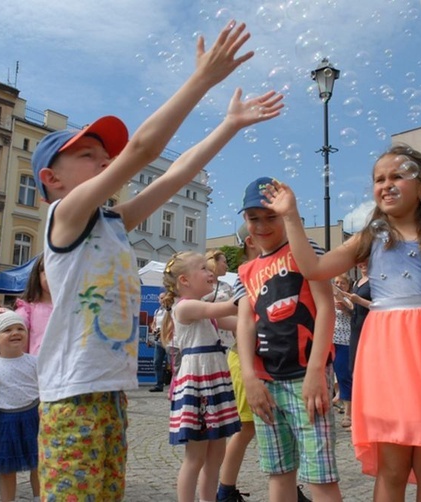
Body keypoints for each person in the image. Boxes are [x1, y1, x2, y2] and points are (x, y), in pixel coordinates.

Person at [30, 20, 284, 501]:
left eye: (104, 154)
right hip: (70, 396)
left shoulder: (110, 222)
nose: (105, 160)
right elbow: (143, 149)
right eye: (87, 154)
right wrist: (201, 81)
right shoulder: (65, 215)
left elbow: (178, 171)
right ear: (52, 179)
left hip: (107, 392)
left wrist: (229, 125)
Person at [263, 145, 421, 501]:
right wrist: (290, 216)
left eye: (397, 176)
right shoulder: (370, 237)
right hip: (387, 357)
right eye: (379, 179)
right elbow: (314, 269)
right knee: (392, 467)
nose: (386, 184)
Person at [235, 177, 341, 502]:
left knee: (320, 477)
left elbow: (326, 307)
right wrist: (250, 379)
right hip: (267, 383)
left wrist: (316, 371)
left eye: (271, 216)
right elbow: (245, 324)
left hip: (306, 377)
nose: (262, 225)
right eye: (254, 218)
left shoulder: (306, 252)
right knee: (279, 474)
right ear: (245, 222)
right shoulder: (247, 271)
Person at [161, 251, 240, 502]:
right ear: (184, 280)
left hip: (214, 382)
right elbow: (228, 307)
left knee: (216, 456)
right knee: (195, 458)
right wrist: (250, 289)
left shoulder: (204, 310)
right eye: (204, 269)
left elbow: (237, 321)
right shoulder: (185, 307)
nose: (211, 273)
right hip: (199, 385)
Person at [0, 309, 40, 502]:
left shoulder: (34, 362)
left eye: (20, 328)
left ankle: (40, 497)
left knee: (39, 463)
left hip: (34, 416)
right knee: (7, 468)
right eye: (7, 330)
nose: (15, 333)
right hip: (5, 421)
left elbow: (44, 389)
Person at [217, 223, 260, 502]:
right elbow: (232, 321)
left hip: (272, 360)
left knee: (278, 428)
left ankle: (290, 486)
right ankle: (225, 489)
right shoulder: (246, 275)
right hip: (247, 358)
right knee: (246, 428)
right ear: (250, 241)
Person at [14, 256, 52, 356]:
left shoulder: (71, 308)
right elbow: (19, 347)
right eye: (48, 272)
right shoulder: (27, 310)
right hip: (36, 368)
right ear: (37, 276)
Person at [332, 273, 354, 429]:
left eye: (343, 283)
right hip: (330, 340)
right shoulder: (328, 298)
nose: (339, 285)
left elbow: (356, 315)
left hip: (345, 340)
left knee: (344, 375)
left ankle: (348, 413)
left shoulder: (349, 299)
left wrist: (346, 308)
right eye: (337, 282)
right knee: (334, 375)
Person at [204, 249, 235, 349]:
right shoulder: (199, 286)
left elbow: (236, 313)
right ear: (214, 262)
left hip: (226, 340)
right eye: (224, 262)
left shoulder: (227, 287)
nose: (227, 266)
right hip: (205, 338)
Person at [346, 261, 371, 372]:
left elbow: (380, 306)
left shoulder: (375, 282)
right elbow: (354, 307)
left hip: (368, 328)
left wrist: (359, 300)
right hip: (355, 328)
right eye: (360, 262)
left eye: (366, 261)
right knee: (354, 365)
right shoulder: (357, 282)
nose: (363, 264)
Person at [149, 292, 169, 392]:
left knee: (172, 364)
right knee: (157, 363)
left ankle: (174, 386)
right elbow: (153, 323)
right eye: (160, 298)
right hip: (159, 341)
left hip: (169, 341)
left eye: (164, 298)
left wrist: (164, 331)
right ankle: (159, 385)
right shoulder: (157, 311)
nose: (162, 300)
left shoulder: (171, 310)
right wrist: (154, 329)